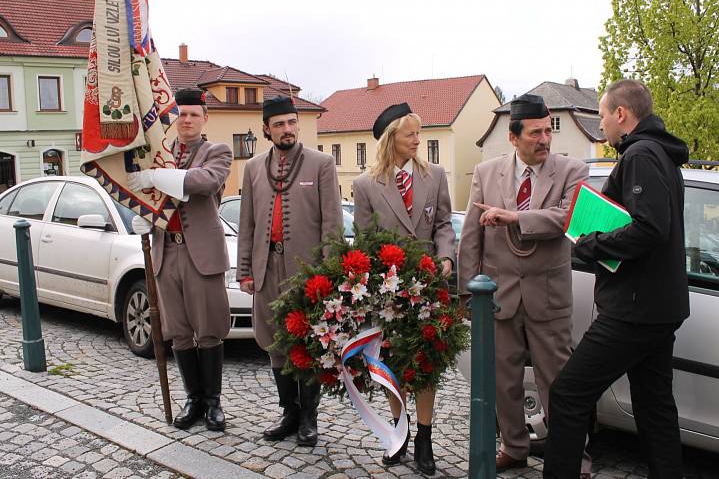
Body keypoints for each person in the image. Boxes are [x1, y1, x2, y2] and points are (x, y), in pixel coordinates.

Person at [544, 80, 690, 479]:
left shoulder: (641, 154)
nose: (602, 123)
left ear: (622, 114)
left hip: (634, 308)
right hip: (659, 306)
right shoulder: (660, 153)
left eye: (603, 115)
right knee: (654, 405)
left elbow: (650, 228)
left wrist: (592, 245)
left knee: (569, 393)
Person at [457, 93, 590, 475]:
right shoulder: (486, 173)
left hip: (548, 297)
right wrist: (468, 292)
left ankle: (575, 461)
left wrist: (515, 217)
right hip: (499, 296)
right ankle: (514, 447)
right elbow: (471, 237)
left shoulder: (571, 170)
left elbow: (567, 218)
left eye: (547, 131)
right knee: (504, 381)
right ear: (513, 137)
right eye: (535, 133)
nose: (544, 140)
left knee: (559, 384)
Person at [352, 102, 455, 476]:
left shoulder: (436, 175)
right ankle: (400, 431)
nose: (417, 140)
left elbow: (444, 224)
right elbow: (363, 240)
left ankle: (425, 437)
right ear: (391, 138)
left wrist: (446, 258)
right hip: (388, 288)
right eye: (410, 134)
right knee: (391, 364)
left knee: (426, 363)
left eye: (418, 132)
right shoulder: (365, 185)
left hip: (429, 282)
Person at [237, 95, 342, 447]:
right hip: (268, 267)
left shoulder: (321, 164)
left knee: (308, 343)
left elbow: (332, 224)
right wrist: (245, 270)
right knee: (274, 342)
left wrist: (329, 274)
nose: (287, 129)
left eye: (292, 122)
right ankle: (289, 412)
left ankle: (309, 418)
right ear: (266, 130)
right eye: (279, 124)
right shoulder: (252, 168)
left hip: (307, 270)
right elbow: (247, 224)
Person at [129, 87, 233, 432]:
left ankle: (214, 402)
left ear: (205, 118)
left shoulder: (217, 151)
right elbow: (146, 194)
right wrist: (142, 213)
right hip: (165, 249)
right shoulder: (160, 153)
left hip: (200, 252)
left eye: (193, 114)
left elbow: (204, 182)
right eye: (182, 114)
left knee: (208, 330)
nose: (186, 120)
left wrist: (156, 177)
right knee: (178, 332)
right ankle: (193, 399)